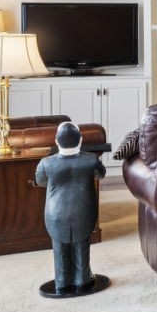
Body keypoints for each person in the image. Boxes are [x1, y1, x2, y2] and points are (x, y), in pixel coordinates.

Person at [35, 122, 107, 297]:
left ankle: (61, 282)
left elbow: (40, 182)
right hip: (84, 211)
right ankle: (83, 280)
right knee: (82, 245)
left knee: (59, 248)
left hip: (55, 214)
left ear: (56, 141)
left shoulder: (46, 163)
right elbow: (101, 175)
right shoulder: (91, 160)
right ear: (80, 140)